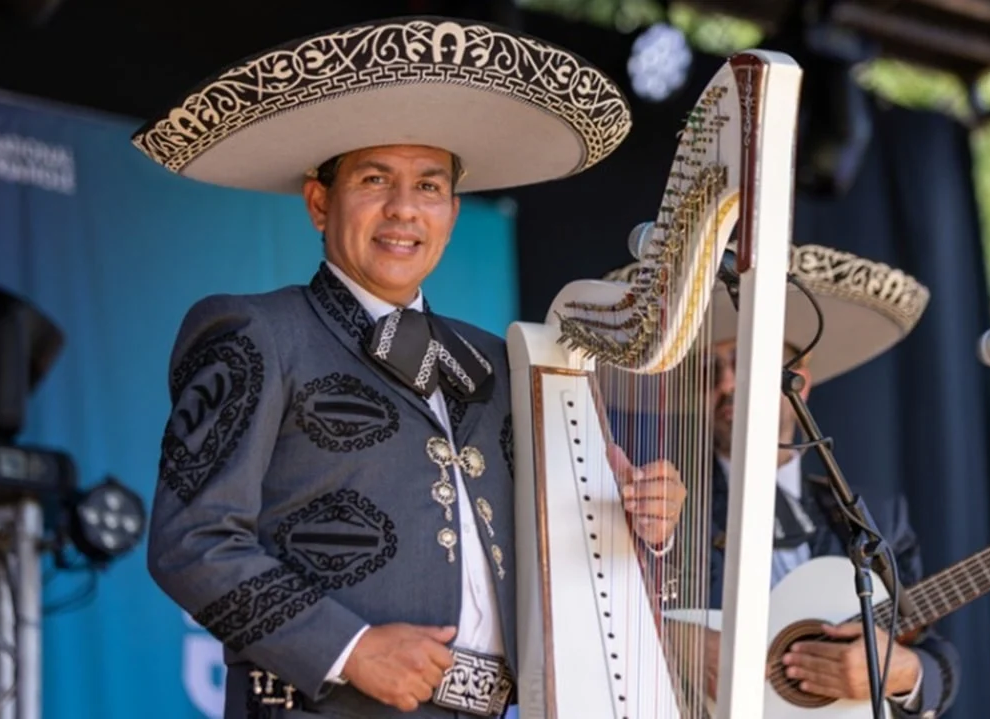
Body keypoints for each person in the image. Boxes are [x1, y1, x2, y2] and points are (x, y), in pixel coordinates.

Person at [133, 15, 687, 719]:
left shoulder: (499, 358)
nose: (403, 209)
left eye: (428, 187)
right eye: (374, 179)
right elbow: (191, 539)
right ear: (318, 201)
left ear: (451, 213)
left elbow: (571, 566)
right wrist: (351, 647)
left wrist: (639, 522)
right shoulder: (258, 330)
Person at [604, 242, 962, 718]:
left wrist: (902, 673)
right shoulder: (663, 498)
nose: (727, 384)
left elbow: (935, 655)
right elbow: (600, 612)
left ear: (800, 383)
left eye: (745, 364)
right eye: (710, 371)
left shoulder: (870, 513)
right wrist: (674, 639)